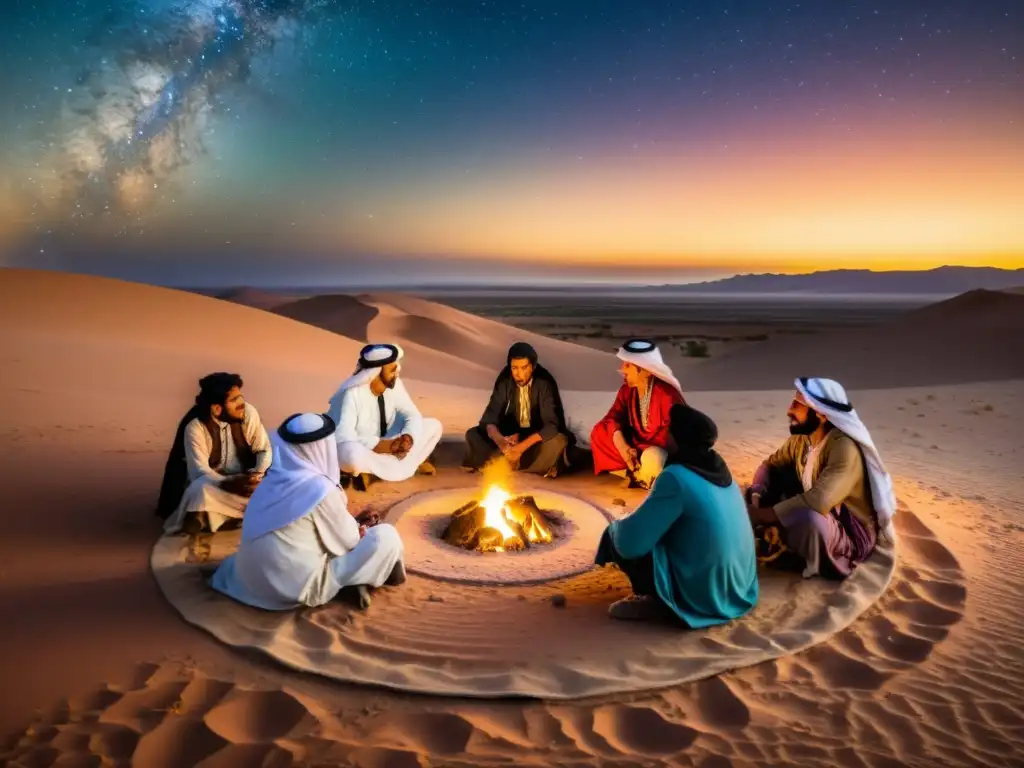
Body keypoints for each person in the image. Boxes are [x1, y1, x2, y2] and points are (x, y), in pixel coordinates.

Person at [210, 412, 406, 611]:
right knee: (386, 536)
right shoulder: (321, 490)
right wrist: (360, 530)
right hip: (292, 588)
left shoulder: (271, 480)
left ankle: (359, 577)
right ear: (323, 446)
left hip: (250, 579)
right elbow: (348, 541)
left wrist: (353, 528)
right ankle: (368, 578)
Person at [595, 404, 758, 624]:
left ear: (680, 436)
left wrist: (616, 528)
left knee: (617, 536)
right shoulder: (718, 467)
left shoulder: (676, 477)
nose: (665, 434)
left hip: (706, 595)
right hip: (738, 586)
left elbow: (630, 543)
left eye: (670, 428)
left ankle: (659, 601)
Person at [746, 377, 897, 580]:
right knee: (759, 487)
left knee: (809, 518)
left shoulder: (844, 447)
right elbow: (769, 465)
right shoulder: (801, 440)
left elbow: (819, 501)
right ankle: (774, 533)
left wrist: (763, 515)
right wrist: (756, 497)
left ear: (822, 414)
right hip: (814, 511)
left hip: (848, 533)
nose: (789, 411)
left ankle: (791, 548)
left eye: (797, 405)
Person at [156, 372, 272, 535]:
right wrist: (228, 483)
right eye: (233, 400)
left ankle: (211, 518)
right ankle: (222, 518)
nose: (241, 403)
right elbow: (199, 471)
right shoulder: (196, 427)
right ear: (217, 408)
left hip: (248, 481)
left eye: (240, 397)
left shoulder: (248, 413)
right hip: (214, 485)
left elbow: (263, 449)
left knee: (274, 488)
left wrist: (256, 475)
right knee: (199, 489)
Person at [327, 343, 443, 489]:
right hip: (368, 449)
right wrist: (384, 446)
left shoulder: (395, 385)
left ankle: (376, 472)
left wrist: (408, 437)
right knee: (350, 454)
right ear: (376, 371)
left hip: (390, 445)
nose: (397, 373)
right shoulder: (351, 395)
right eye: (392, 370)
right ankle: (396, 466)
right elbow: (343, 436)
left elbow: (411, 414)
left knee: (434, 426)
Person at [462, 342, 572, 477]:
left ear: (533, 367)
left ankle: (508, 464)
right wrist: (501, 442)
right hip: (510, 436)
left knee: (557, 442)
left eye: (524, 368)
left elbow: (551, 425)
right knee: (473, 434)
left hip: (535, 436)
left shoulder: (544, 382)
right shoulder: (505, 380)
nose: (519, 374)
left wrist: (521, 447)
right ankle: (511, 461)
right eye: (515, 368)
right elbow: (489, 418)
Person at [590, 339, 686, 489]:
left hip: (660, 450)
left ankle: (640, 476)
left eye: (628, 365)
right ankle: (640, 474)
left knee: (654, 458)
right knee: (600, 432)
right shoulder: (626, 391)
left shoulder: (667, 396)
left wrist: (647, 451)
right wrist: (624, 449)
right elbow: (612, 418)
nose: (622, 369)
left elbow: (679, 438)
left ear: (646, 371)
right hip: (636, 448)